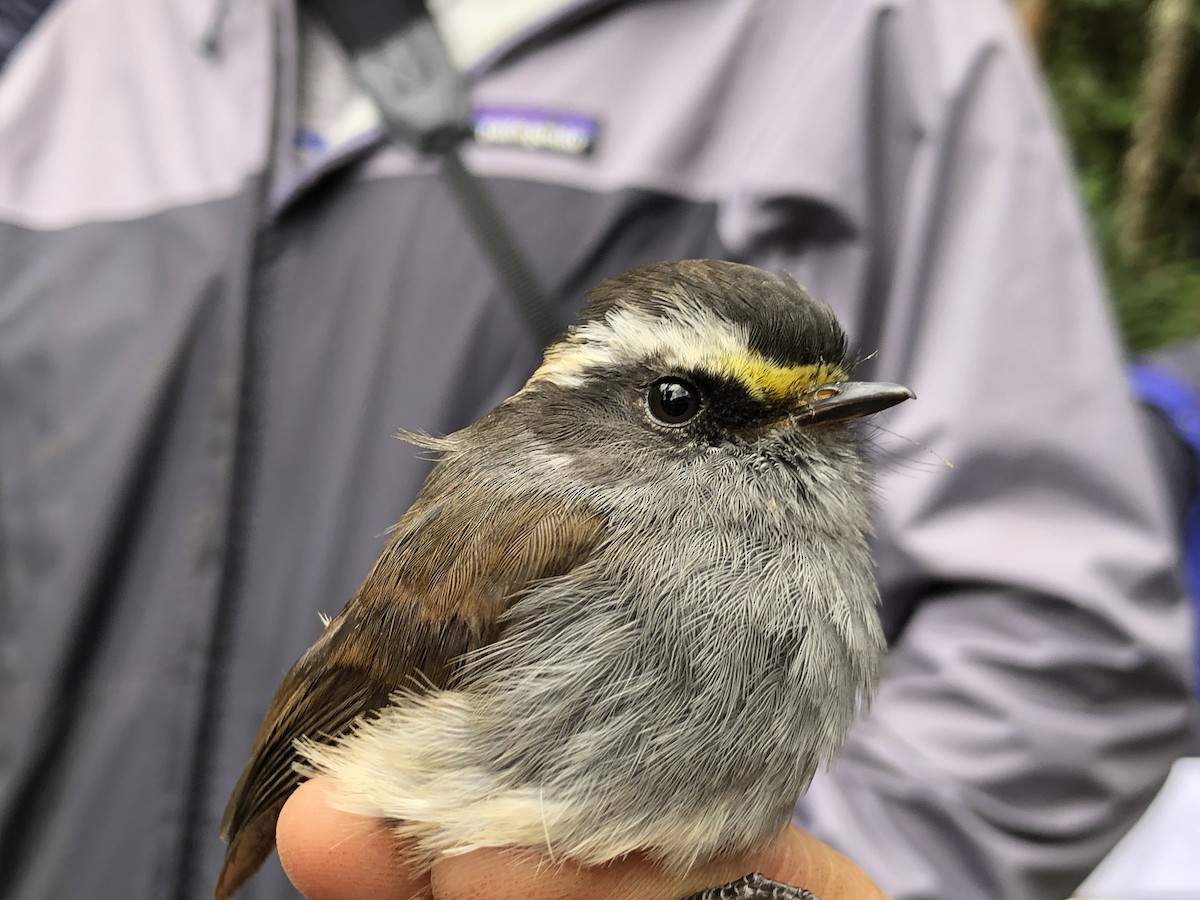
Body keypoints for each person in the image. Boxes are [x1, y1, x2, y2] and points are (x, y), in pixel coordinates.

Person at [0, 1, 1190, 898]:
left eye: (803, 402)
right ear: (589, 415)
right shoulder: (80, 45)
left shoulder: (869, 32)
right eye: (686, 401)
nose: (792, 430)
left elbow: (1072, 630)